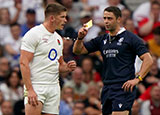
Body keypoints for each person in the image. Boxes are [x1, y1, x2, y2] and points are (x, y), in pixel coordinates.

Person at [73, 6, 153, 115]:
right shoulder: (102, 39)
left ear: (119, 19)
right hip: (107, 87)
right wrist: (80, 38)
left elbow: (148, 59)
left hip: (123, 86)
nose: (106, 21)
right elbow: (78, 51)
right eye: (104, 18)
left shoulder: (131, 38)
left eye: (109, 18)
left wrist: (137, 79)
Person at [20, 3, 76, 115]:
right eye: (62, 17)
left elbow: (59, 65)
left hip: (54, 87)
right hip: (36, 85)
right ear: (52, 18)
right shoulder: (34, 34)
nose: (65, 20)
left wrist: (67, 67)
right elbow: (23, 63)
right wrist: (30, 89)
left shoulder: (58, 39)